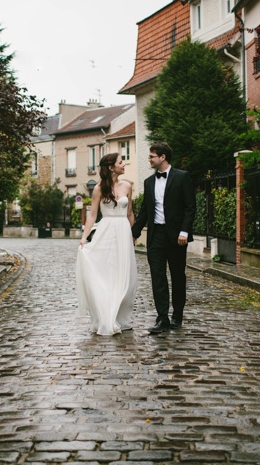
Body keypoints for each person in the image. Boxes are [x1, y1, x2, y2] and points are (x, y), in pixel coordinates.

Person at [132, 142, 196, 334]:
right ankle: (162, 318)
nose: (149, 159)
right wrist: (132, 234)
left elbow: (190, 207)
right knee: (157, 277)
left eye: (152, 156)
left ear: (162, 157)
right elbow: (144, 211)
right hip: (156, 236)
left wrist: (184, 231)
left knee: (177, 277)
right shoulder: (148, 182)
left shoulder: (182, 177)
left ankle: (177, 316)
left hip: (177, 236)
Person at [76, 153, 137, 335]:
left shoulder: (127, 186)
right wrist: (84, 237)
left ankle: (121, 317)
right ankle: (105, 315)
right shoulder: (99, 189)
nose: (123, 164)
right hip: (106, 231)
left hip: (124, 233)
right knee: (108, 273)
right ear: (111, 167)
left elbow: (130, 213)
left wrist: (132, 234)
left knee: (125, 275)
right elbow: (93, 215)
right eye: (120, 162)